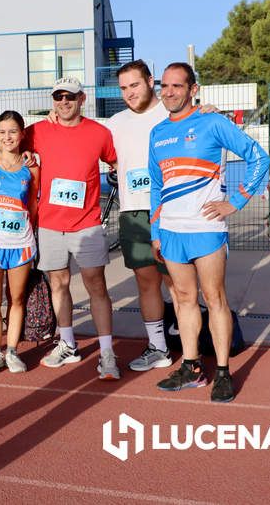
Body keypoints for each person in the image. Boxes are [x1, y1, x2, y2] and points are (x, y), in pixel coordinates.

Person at [149, 62, 269, 403]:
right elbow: (157, 188)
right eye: (165, 86)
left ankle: (222, 372)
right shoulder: (157, 133)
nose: (169, 92)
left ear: (192, 89)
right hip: (171, 232)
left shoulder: (213, 122)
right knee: (184, 300)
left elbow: (258, 157)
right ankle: (191, 368)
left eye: (177, 86)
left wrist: (236, 201)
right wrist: (156, 231)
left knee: (215, 299)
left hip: (206, 229)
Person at [23, 76, 120, 379]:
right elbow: (5, 139)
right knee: (58, 285)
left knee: (96, 285)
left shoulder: (100, 133)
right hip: (50, 224)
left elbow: (119, 161)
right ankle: (68, 343)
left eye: (70, 96)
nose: (63, 102)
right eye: (58, 97)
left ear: (82, 99)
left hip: (87, 224)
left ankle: (106, 353)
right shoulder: (37, 131)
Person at [103, 60, 179, 372]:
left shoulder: (174, 113)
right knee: (146, 282)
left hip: (169, 210)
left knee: (178, 281)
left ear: (150, 81)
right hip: (133, 212)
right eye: (123, 88)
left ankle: (192, 346)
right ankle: (158, 348)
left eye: (134, 85)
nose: (130, 92)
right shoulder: (114, 123)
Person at [0, 110, 38, 374]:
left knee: (17, 298)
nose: (7, 137)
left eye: (13, 131)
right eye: (2, 132)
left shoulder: (31, 166)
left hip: (20, 243)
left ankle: (11, 351)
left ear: (22, 134)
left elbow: (33, 205)